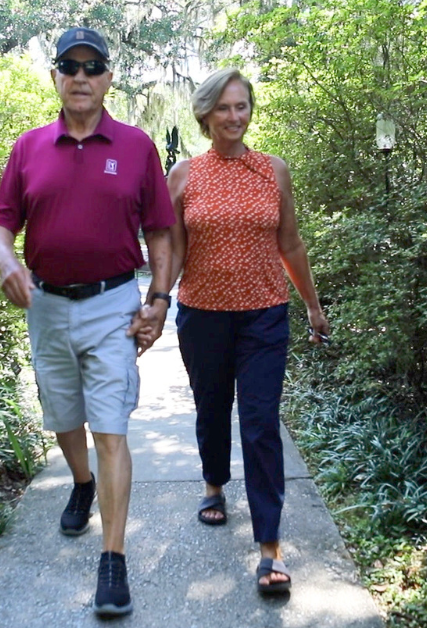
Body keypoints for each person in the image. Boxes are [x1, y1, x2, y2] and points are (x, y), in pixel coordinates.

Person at [0, 26, 174, 617]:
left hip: (112, 306)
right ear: (56, 77)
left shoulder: (137, 146)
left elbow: (161, 231)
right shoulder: (28, 147)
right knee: (63, 417)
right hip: (45, 305)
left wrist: (160, 300)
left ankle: (113, 560)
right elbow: (0, 226)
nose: (82, 77)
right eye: (71, 66)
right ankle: (82, 483)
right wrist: (6, 263)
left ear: (109, 77)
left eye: (93, 67)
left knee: (110, 427)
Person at [166, 68, 330, 596]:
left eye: (242, 107)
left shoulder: (273, 171)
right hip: (203, 314)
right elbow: (171, 249)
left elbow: (292, 244)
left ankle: (269, 547)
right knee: (211, 407)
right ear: (205, 114)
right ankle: (214, 485)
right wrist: (155, 301)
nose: (235, 117)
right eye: (224, 108)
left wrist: (312, 305)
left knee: (260, 423)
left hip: (264, 315)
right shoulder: (185, 174)